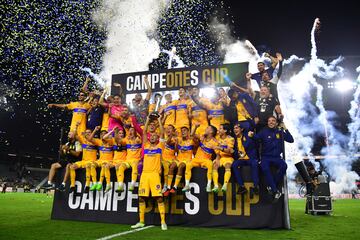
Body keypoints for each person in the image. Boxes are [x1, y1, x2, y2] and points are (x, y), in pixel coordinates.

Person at [131, 115, 167, 230]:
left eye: (155, 136)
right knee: (141, 198)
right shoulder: (145, 145)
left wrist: (159, 120)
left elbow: (162, 133)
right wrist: (147, 119)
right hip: (145, 174)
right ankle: (141, 221)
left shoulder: (160, 146)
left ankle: (163, 222)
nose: (152, 137)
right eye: (151, 136)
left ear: (157, 138)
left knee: (159, 198)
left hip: (155, 174)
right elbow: (144, 132)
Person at [250, 116, 294, 201]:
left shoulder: (280, 131)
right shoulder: (263, 131)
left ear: (276, 123)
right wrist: (252, 135)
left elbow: (291, 140)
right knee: (265, 168)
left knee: (284, 166)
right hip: (265, 157)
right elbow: (256, 137)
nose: (271, 122)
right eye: (269, 121)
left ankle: (271, 186)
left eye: (273, 121)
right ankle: (274, 190)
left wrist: (285, 128)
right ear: (267, 123)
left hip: (277, 157)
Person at [183, 124, 220, 192]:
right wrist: (195, 127)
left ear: (211, 131)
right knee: (188, 164)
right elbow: (192, 135)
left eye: (207, 128)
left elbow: (218, 153)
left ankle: (208, 186)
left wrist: (217, 159)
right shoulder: (202, 136)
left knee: (210, 164)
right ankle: (187, 185)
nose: (205, 129)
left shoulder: (214, 142)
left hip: (206, 160)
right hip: (196, 159)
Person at [232, 122, 260, 197]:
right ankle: (242, 187)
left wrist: (253, 135)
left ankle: (256, 186)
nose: (235, 130)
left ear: (241, 129)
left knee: (254, 163)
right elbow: (235, 153)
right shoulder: (234, 140)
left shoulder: (248, 135)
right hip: (242, 159)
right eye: (234, 128)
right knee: (234, 164)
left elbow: (258, 141)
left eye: (237, 128)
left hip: (251, 158)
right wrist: (234, 152)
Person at [69, 124, 99, 193]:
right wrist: (76, 126)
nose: (88, 133)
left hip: (92, 161)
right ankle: (72, 186)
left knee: (88, 165)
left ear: (92, 133)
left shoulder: (95, 141)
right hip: (83, 161)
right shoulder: (83, 141)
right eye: (86, 132)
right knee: (72, 167)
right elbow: (75, 135)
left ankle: (87, 185)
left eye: (89, 132)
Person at [114, 125, 142, 192]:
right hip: (128, 161)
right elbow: (118, 141)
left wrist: (135, 136)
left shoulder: (138, 139)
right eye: (129, 131)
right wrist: (115, 132)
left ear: (135, 132)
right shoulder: (127, 140)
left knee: (135, 165)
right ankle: (120, 185)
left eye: (132, 130)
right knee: (120, 167)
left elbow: (138, 140)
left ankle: (132, 184)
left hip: (136, 160)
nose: (130, 132)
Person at [170, 125, 195, 193]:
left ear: (188, 132)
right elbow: (176, 150)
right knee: (172, 166)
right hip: (178, 159)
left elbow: (195, 147)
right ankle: (168, 186)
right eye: (182, 131)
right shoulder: (179, 140)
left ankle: (175, 186)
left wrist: (195, 127)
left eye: (184, 130)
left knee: (181, 166)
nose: (183, 132)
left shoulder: (192, 140)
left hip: (187, 160)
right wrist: (176, 144)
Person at [212, 124, 234, 193]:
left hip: (228, 157)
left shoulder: (231, 139)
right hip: (221, 158)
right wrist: (217, 159)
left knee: (227, 165)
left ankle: (225, 185)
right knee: (215, 166)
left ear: (225, 130)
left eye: (220, 128)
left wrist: (220, 148)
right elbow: (217, 152)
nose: (218, 130)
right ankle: (216, 186)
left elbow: (229, 151)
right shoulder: (217, 139)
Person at [91, 128, 114, 192]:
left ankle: (101, 183)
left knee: (104, 166)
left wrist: (110, 132)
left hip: (109, 161)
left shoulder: (111, 141)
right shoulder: (99, 141)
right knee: (92, 165)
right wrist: (95, 130)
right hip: (100, 160)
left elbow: (104, 138)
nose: (103, 135)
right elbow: (90, 139)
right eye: (101, 134)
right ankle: (95, 183)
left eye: (105, 134)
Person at [161, 125, 177, 196]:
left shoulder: (175, 139)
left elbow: (176, 150)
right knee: (165, 167)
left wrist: (176, 143)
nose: (168, 130)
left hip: (171, 158)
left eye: (170, 129)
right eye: (167, 128)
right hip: (163, 158)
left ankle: (167, 185)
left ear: (173, 131)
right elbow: (167, 142)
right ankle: (165, 185)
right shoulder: (163, 136)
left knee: (170, 167)